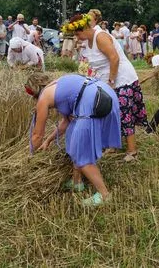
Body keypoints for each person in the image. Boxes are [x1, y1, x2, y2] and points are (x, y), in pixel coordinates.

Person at [26, 73, 121, 206]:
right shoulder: (58, 86)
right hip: (106, 94)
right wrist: (49, 140)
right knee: (73, 137)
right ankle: (77, 182)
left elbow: (37, 135)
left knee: (81, 151)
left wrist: (31, 155)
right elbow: (66, 123)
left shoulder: (44, 97)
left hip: (94, 101)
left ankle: (104, 194)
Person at [70, 13, 148, 162]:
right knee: (108, 114)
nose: (77, 37)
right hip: (106, 81)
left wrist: (111, 82)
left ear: (85, 28)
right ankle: (113, 145)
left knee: (123, 114)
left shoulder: (101, 37)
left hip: (122, 79)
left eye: (77, 33)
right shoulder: (88, 41)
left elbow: (114, 58)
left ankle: (132, 151)